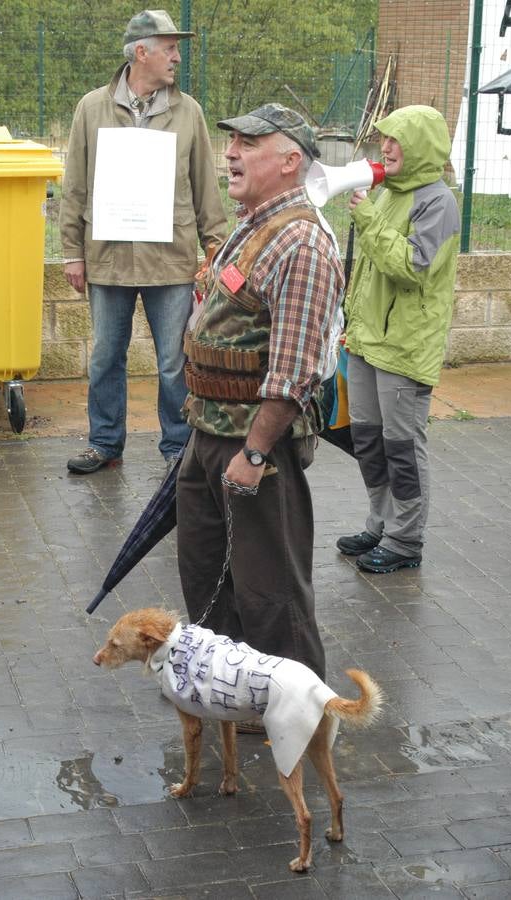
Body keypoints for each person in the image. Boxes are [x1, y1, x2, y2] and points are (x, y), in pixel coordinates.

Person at [176, 103, 344, 688]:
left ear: (291, 160)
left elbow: (295, 369)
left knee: (270, 586)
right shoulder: (252, 224)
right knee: (207, 576)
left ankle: (298, 707)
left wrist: (254, 453)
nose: (231, 152)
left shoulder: (302, 243)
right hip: (209, 433)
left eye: (249, 143)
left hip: (254, 447)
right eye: (232, 143)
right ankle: (230, 695)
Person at [60, 9, 227, 475]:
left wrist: (216, 249)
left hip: (170, 260)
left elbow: (204, 188)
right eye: (170, 49)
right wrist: (73, 252)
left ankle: (178, 450)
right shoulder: (91, 108)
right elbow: (75, 185)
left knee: (175, 362)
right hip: (108, 260)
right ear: (141, 52)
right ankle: (105, 444)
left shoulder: (188, 111)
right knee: (105, 358)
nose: (177, 57)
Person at [337, 105, 460, 573]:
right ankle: (381, 524)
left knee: (402, 447)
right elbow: (369, 269)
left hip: (406, 348)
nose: (384, 148)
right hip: (370, 342)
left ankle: (406, 541)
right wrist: (353, 322)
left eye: (395, 141)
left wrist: (367, 219)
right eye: (383, 139)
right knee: (368, 439)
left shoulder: (438, 202)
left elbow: (412, 266)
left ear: (421, 148)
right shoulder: (386, 192)